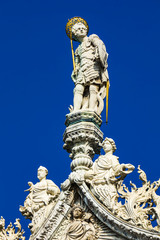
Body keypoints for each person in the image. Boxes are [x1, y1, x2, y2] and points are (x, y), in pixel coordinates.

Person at [67, 18, 109, 115]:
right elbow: (77, 62)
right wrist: (76, 69)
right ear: (74, 34)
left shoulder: (92, 38)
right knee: (78, 89)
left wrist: (99, 52)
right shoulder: (77, 50)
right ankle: (76, 110)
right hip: (82, 70)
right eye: (78, 29)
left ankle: (91, 109)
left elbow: (99, 44)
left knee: (92, 88)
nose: (81, 30)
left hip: (92, 66)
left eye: (83, 28)